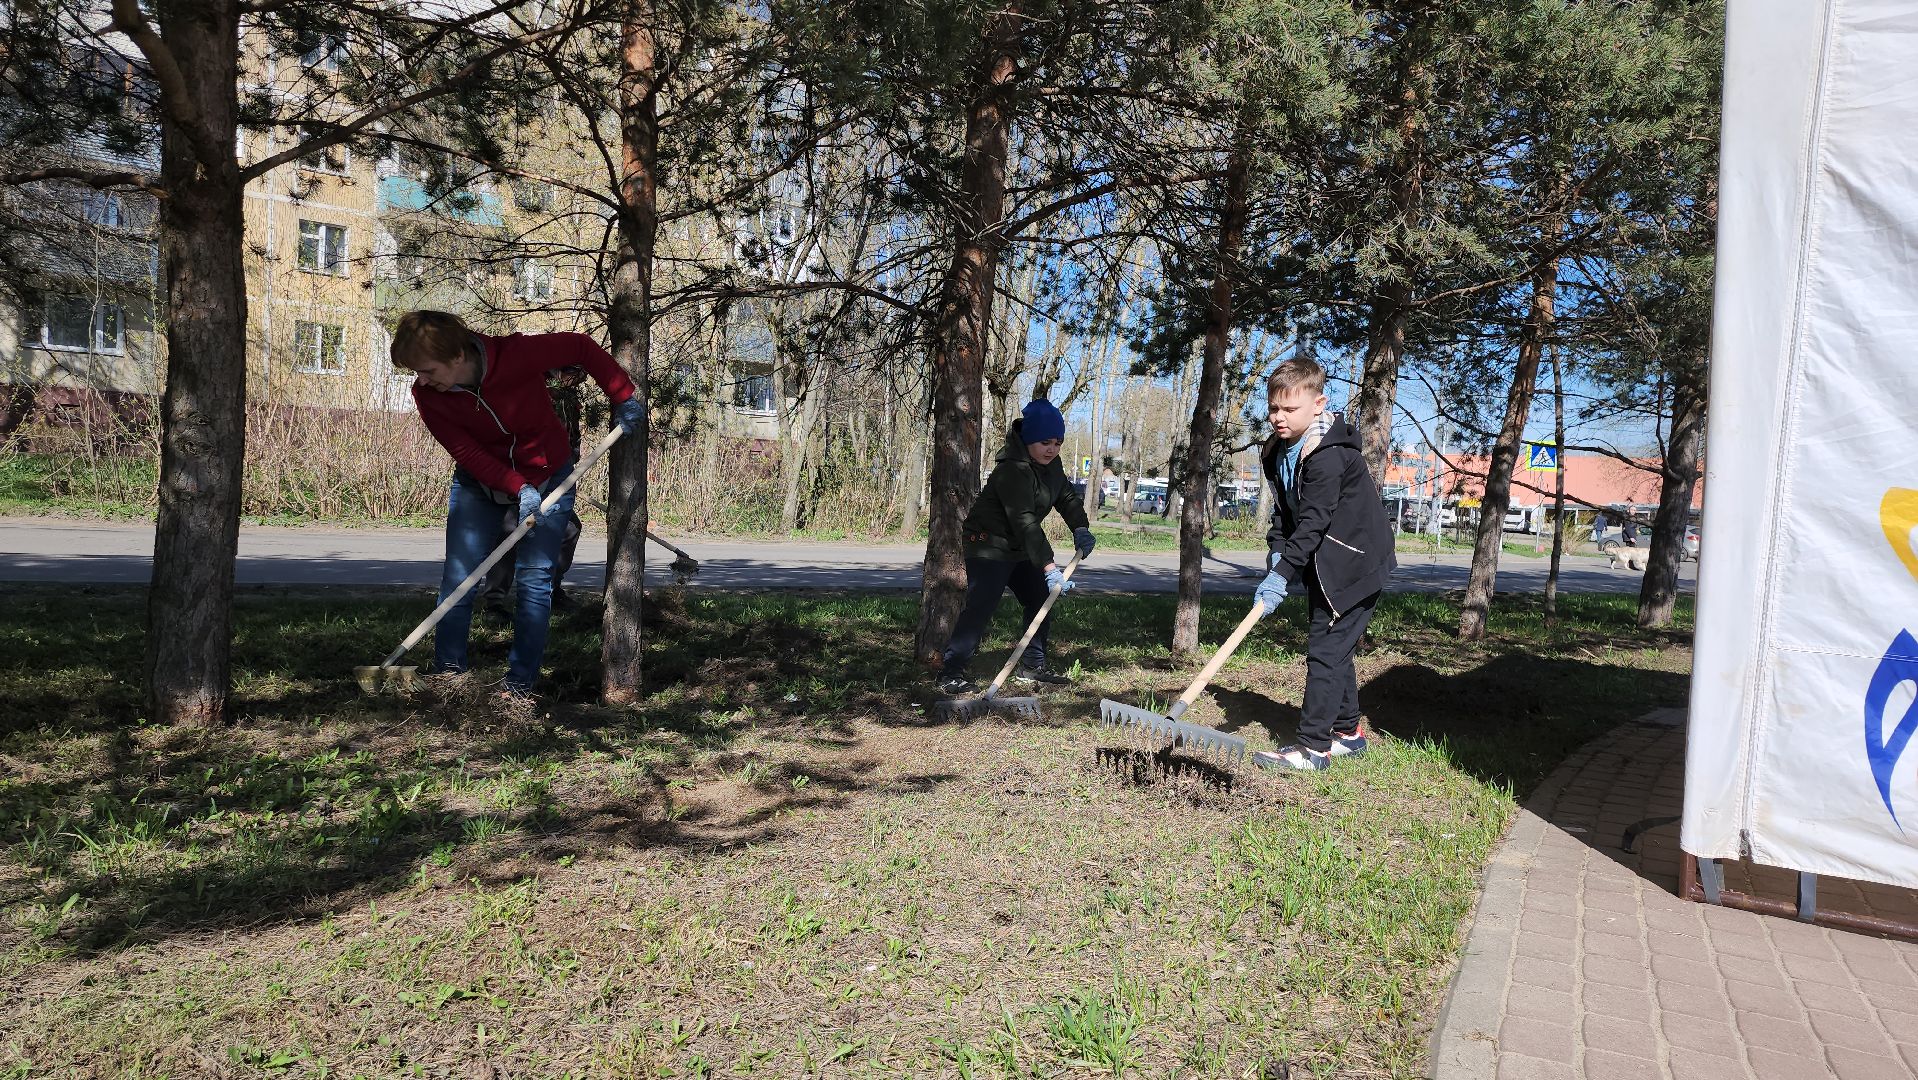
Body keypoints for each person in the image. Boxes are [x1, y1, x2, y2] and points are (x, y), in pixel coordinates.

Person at [390, 310, 645, 697]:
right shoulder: (428, 396)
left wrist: (623, 394)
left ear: (458, 357)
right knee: (459, 580)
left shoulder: (515, 355)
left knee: (535, 579)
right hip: (480, 484)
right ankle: (448, 678)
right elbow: (466, 451)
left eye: (427, 370)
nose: (420, 380)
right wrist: (515, 486)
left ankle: (518, 688)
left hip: (549, 474)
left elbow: (579, 346)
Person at [1249, 357, 1396, 771]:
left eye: (1289, 409)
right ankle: (1348, 732)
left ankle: (1313, 748)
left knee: (1325, 650)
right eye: (1274, 408)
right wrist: (1278, 551)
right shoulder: (1278, 450)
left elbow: (1314, 523)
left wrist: (1281, 575)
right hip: (1325, 559)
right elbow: (1286, 511)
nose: (1279, 417)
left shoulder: (1328, 456)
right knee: (1335, 648)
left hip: (1355, 564)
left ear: (1318, 404)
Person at [936, 399, 1096, 694]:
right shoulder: (1012, 469)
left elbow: (1067, 498)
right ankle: (951, 671)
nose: (1052, 449)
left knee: (1041, 597)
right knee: (982, 604)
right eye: (1045, 442)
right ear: (1028, 439)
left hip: (1019, 546)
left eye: (1058, 443)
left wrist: (1081, 527)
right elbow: (1024, 521)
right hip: (988, 544)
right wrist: (1049, 566)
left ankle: (1032, 667)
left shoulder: (1052, 466)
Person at [481, 365, 586, 619]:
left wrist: (565, 470)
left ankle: (550, 588)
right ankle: (494, 601)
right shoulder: (532, 386)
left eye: (582, 376)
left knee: (569, 530)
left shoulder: (569, 399)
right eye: (573, 373)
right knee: (510, 533)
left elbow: (571, 440)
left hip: (555, 478)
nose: (578, 380)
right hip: (521, 477)